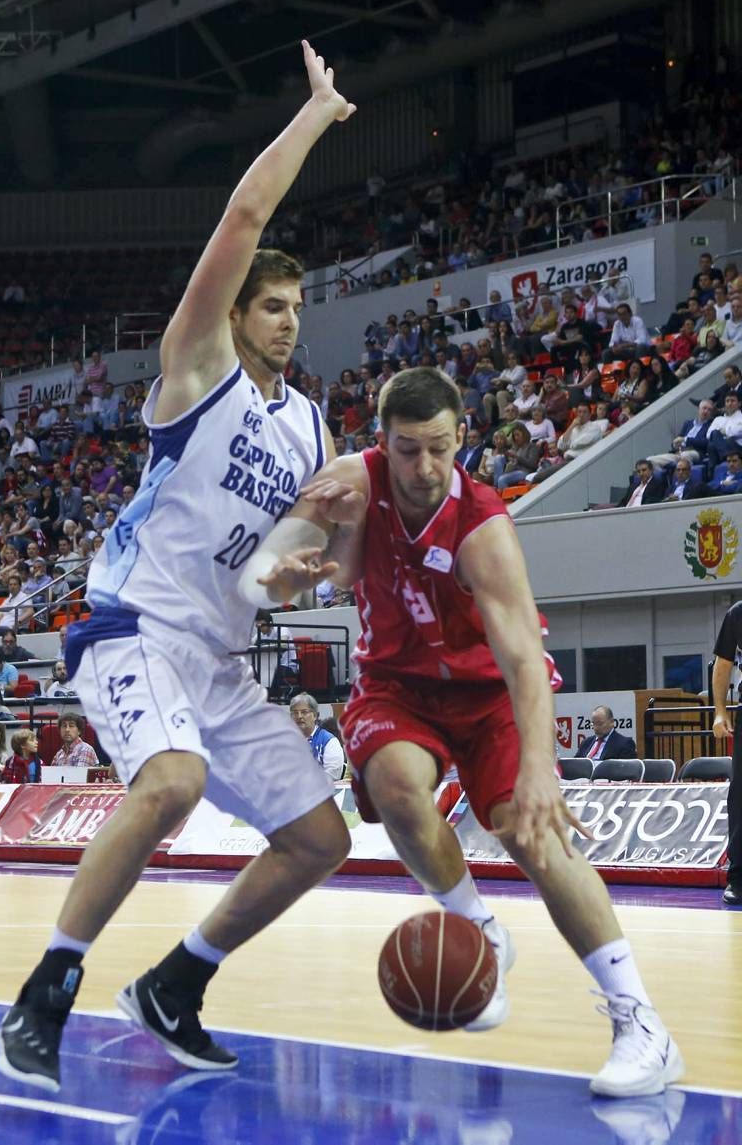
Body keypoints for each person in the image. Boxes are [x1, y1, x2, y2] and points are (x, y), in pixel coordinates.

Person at [0, 41, 355, 1094]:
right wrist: (314, 115)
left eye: (297, 307)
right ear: (235, 312)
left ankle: (175, 984)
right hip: (132, 626)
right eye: (271, 305)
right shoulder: (197, 367)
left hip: (219, 651)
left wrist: (304, 571)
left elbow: (273, 569)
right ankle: (44, 993)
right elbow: (242, 221)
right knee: (172, 781)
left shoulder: (308, 430)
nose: (288, 321)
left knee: (316, 836)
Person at [246, 366, 682, 1098]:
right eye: (409, 449)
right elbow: (274, 579)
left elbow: (522, 661)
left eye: (440, 448)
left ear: (462, 438)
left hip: (490, 694)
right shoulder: (350, 482)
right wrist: (283, 572)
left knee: (533, 833)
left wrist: (540, 769)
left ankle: (642, 1023)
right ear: (381, 441)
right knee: (393, 784)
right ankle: (479, 927)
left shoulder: (484, 527)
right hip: (399, 684)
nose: (424, 467)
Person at [711, 605, 742, 905]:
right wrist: (720, 712)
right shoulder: (737, 614)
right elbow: (723, 665)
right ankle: (739, 878)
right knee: (740, 798)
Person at [289, 692, 345, 779]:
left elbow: (333, 775)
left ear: (315, 715)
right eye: (295, 713)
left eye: (304, 712)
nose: (299, 716)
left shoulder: (329, 741)